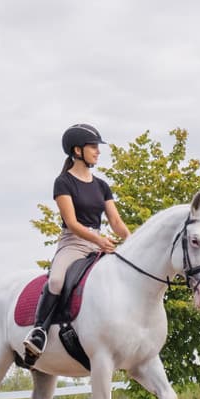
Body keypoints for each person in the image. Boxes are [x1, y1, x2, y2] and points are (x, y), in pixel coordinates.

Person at [25, 123, 132, 355]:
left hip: (99, 243)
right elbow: (72, 223)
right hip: (74, 243)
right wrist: (97, 239)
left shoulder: (102, 185)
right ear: (77, 151)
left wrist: (132, 240)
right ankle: (39, 331)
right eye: (93, 147)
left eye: (97, 147)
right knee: (55, 281)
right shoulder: (63, 182)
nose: (98, 151)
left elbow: (115, 221)